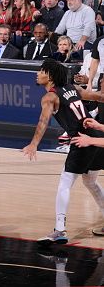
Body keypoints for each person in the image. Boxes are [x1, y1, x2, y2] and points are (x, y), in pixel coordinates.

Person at [22, 59, 104, 244]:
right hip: (96, 137)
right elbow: (97, 97)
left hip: (82, 140)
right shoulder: (72, 88)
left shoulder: (50, 97)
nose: (37, 73)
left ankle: (59, 229)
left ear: (49, 76)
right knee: (90, 181)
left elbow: (43, 122)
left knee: (65, 183)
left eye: (41, 71)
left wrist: (34, 143)